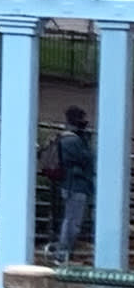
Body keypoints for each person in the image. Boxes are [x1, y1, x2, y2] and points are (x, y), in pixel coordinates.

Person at [51, 105, 95, 264]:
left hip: (71, 183)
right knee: (72, 221)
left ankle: (63, 252)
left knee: (70, 220)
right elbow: (85, 159)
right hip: (75, 184)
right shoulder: (73, 140)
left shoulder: (67, 137)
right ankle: (62, 254)